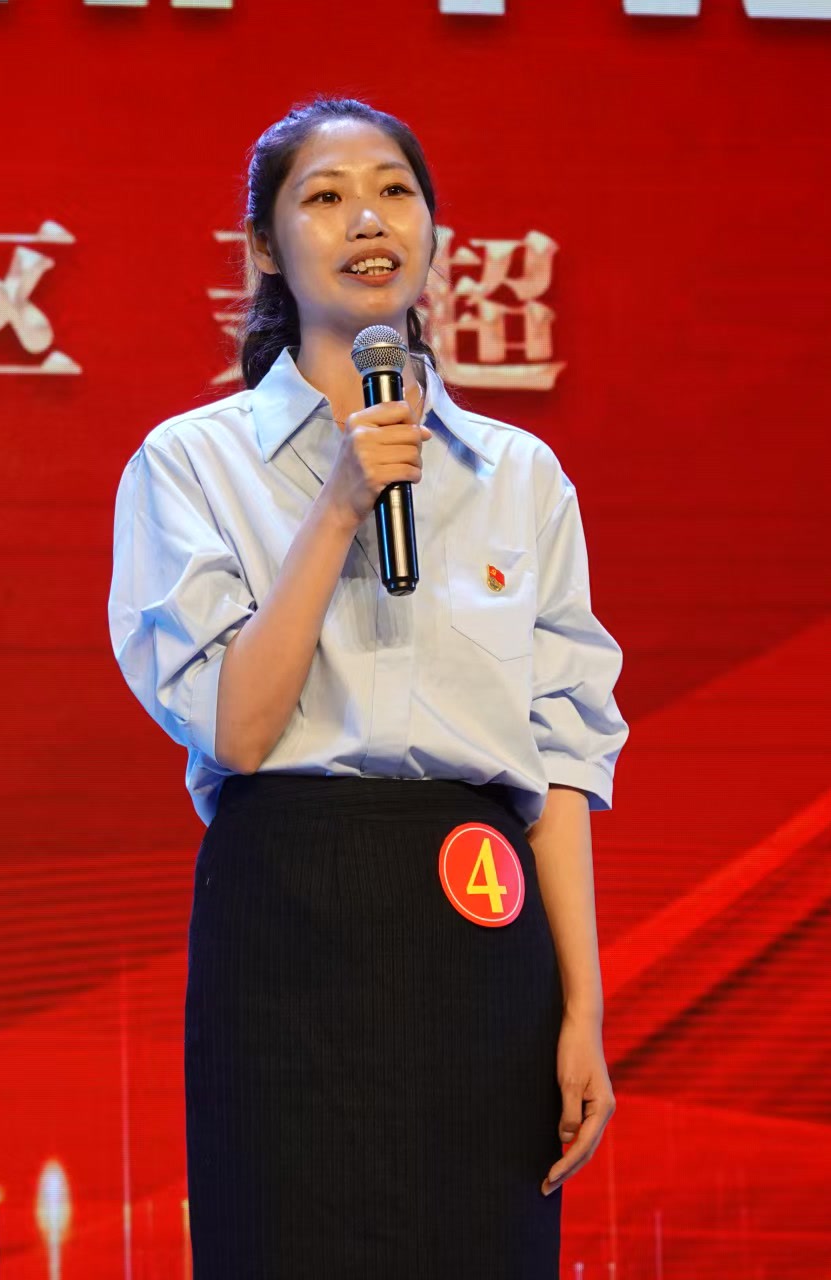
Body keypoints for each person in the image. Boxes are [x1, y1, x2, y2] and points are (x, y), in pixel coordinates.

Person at [107, 95, 629, 1277]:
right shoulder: (192, 463)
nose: (367, 221)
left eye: (394, 191)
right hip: (287, 908)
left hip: (480, 911)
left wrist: (582, 1007)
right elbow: (240, 728)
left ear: (434, 230)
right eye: (326, 197)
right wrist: (339, 505)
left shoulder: (520, 475)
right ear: (263, 246)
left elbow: (558, 758)